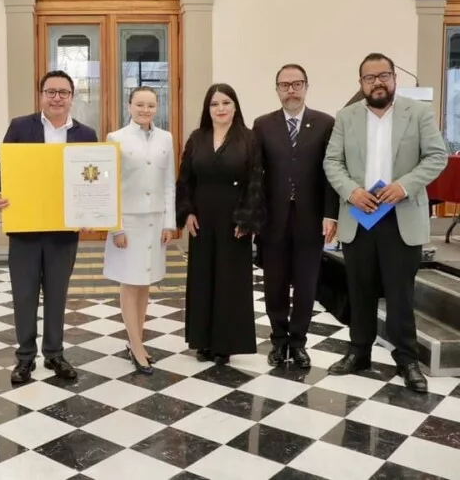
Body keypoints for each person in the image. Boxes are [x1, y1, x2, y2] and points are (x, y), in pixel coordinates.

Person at [323, 53, 447, 393]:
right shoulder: (346, 117)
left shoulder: (418, 113)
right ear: (361, 83)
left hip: (400, 216)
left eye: (384, 76)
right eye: (369, 77)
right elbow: (332, 161)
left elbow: (436, 155)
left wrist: (404, 186)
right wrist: (351, 192)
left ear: (394, 78)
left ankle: (406, 359)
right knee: (359, 289)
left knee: (400, 292)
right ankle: (359, 352)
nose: (377, 82)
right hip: (359, 215)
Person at [0, 70, 98, 384]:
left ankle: (54, 354)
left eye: (63, 92)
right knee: (24, 295)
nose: (56, 98)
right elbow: (2, 170)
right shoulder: (21, 126)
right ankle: (25, 359)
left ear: (71, 97)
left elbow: (91, 182)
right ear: (41, 95)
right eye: (50, 92)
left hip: (63, 232)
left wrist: (92, 213)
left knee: (57, 293)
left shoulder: (85, 134)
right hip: (25, 228)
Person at [253, 64, 339, 368]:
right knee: (274, 282)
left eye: (297, 84)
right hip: (273, 218)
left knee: (306, 283)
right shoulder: (262, 125)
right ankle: (278, 342)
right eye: (285, 85)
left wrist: (331, 214)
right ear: (276, 89)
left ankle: (299, 343)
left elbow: (331, 173)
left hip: (311, 217)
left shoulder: (326, 123)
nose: (291, 90)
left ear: (306, 86)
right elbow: (255, 174)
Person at [176, 83, 265, 365]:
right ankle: (202, 340)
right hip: (202, 218)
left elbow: (255, 181)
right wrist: (187, 212)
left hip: (233, 219)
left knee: (230, 280)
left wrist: (247, 218)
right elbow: (185, 179)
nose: (220, 108)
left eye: (226, 102)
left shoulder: (248, 139)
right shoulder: (197, 138)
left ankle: (225, 343)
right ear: (208, 109)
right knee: (202, 277)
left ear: (235, 106)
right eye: (214, 104)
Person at [103, 86, 175, 374]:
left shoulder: (166, 139)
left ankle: (137, 341)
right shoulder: (116, 139)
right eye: (140, 105)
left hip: (155, 221)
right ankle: (136, 346)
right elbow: (110, 186)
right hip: (128, 223)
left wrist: (170, 222)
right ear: (129, 106)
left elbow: (169, 182)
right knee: (129, 282)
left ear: (157, 108)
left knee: (145, 283)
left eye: (151, 105)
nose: (145, 110)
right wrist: (115, 227)